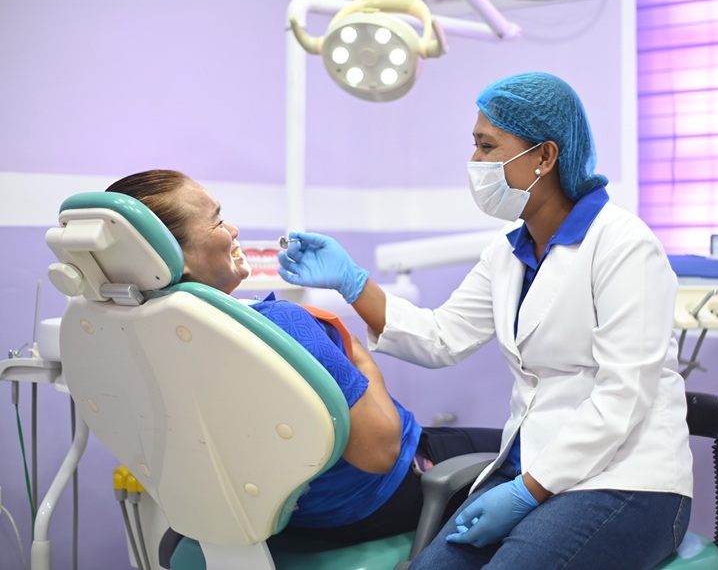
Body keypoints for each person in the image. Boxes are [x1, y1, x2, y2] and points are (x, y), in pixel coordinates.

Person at [277, 71, 693, 569]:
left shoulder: (624, 245)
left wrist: (527, 493)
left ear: (545, 156)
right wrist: (353, 282)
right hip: (528, 471)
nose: (475, 163)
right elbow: (440, 338)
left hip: (626, 480)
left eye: (487, 146)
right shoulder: (507, 253)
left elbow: (623, 396)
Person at [105, 170, 501, 544]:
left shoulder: (134, 341)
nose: (233, 229)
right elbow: (381, 452)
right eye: (217, 220)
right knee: (523, 455)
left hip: (273, 516)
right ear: (174, 257)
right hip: (373, 499)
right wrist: (358, 357)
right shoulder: (281, 326)